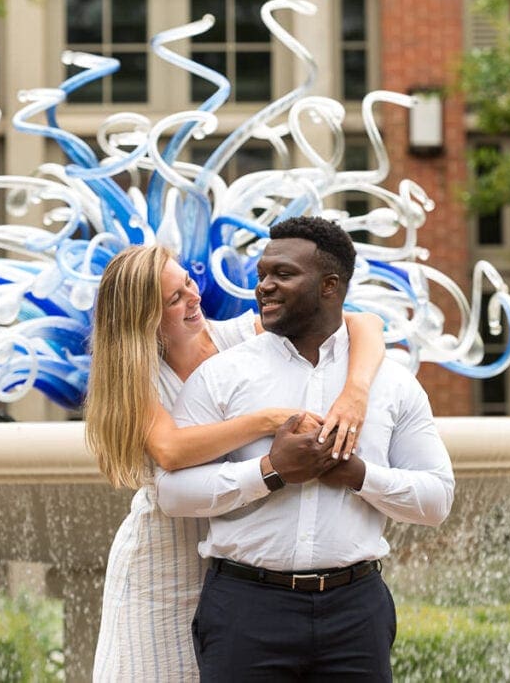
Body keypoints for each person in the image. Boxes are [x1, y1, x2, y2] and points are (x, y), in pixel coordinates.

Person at [156, 216, 455, 681]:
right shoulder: (220, 376)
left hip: (356, 612)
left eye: (283, 274)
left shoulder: (392, 384)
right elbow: (172, 494)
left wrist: (358, 475)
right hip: (246, 610)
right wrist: (272, 470)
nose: (264, 287)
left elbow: (437, 499)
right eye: (261, 275)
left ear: (330, 286)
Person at [85, 243, 386, 682]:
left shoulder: (242, 337)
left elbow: (366, 323)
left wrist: (355, 393)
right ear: (144, 320)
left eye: (188, 282)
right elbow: (170, 449)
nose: (194, 297)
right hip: (163, 564)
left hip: (235, 568)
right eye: (175, 299)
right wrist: (264, 420)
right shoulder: (138, 375)